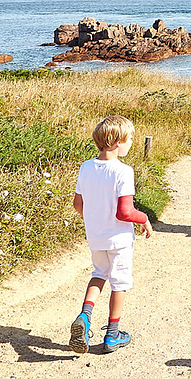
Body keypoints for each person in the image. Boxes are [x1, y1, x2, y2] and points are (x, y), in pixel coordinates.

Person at [70, 115, 152, 354]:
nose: (132, 142)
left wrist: (94, 219)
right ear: (117, 141)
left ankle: (84, 318)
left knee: (99, 274)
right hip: (119, 239)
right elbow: (125, 212)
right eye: (130, 138)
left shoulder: (86, 167)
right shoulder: (123, 171)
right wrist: (145, 219)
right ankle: (113, 335)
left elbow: (77, 204)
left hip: (95, 235)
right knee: (120, 282)